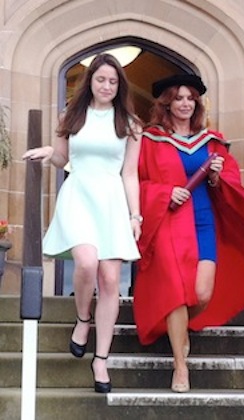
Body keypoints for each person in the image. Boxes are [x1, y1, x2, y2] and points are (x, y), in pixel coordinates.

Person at [133, 73, 244, 393]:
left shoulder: (211, 141)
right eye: (178, 98)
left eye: (190, 99)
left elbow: (231, 181)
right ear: (167, 103)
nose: (185, 104)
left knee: (201, 294)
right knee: (175, 291)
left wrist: (216, 177)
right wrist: (164, 194)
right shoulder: (151, 139)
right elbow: (137, 183)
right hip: (169, 222)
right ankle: (180, 365)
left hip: (202, 220)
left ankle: (179, 333)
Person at [22, 53, 142, 393]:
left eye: (113, 81)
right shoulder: (71, 115)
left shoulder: (131, 124)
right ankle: (82, 319)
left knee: (110, 278)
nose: (106, 85)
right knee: (87, 263)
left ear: (119, 86)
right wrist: (49, 151)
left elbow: (130, 175)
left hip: (111, 200)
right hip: (78, 195)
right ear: (90, 81)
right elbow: (63, 158)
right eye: (101, 79)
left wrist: (135, 216)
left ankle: (101, 359)